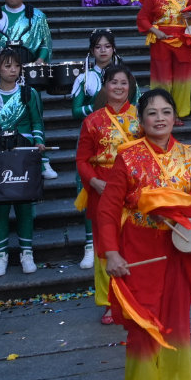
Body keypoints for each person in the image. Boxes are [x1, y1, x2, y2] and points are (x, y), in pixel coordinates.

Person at [100, 89, 191, 380]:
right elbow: (108, 210)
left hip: (178, 253)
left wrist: (173, 209)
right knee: (142, 328)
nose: (159, 118)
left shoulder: (190, 154)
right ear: (141, 120)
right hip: (138, 253)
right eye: (152, 113)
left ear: (174, 117)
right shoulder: (127, 156)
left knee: (176, 326)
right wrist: (111, 252)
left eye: (166, 112)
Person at [0, 48, 47, 277]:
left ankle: (26, 252)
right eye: (7, 66)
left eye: (16, 66)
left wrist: (39, 143)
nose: (13, 70)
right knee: (0, 206)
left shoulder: (29, 93)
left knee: (24, 203)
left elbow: (37, 123)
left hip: (23, 152)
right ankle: (1, 255)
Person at [75, 64, 140, 324]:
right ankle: (109, 302)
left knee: (135, 245)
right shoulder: (93, 120)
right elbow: (81, 160)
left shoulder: (141, 116)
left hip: (134, 191)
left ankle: (135, 299)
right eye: (114, 83)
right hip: (102, 188)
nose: (119, 87)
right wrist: (93, 182)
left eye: (124, 83)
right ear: (105, 86)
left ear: (130, 87)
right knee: (105, 249)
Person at [70, 28, 122, 268]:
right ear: (92, 51)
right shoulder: (84, 78)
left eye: (107, 46)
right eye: (98, 47)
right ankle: (90, 245)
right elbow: (75, 111)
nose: (103, 51)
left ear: (113, 49)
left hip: (120, 142)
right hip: (93, 141)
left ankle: (119, 240)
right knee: (91, 197)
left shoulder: (124, 77)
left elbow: (136, 105)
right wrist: (98, 109)